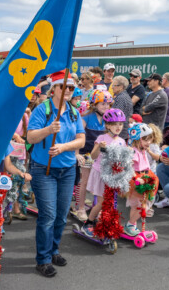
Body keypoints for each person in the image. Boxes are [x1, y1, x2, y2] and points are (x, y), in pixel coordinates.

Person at [27, 70, 85, 277]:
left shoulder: (73, 111)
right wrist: (48, 130)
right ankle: (42, 259)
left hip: (67, 169)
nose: (69, 90)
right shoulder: (42, 110)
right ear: (54, 89)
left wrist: (63, 147)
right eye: (65, 87)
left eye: (72, 87)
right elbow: (31, 137)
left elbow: (81, 140)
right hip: (44, 169)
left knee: (61, 216)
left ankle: (54, 251)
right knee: (48, 215)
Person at [80, 109, 127, 237]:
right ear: (107, 125)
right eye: (114, 124)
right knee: (102, 202)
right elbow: (94, 156)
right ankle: (88, 223)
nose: (118, 127)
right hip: (100, 174)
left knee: (111, 202)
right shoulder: (101, 138)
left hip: (113, 176)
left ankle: (106, 223)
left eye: (120, 124)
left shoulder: (122, 141)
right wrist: (99, 147)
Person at [73, 89, 112, 221]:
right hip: (87, 154)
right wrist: (77, 153)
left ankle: (97, 207)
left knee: (100, 182)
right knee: (85, 180)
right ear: (94, 104)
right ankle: (81, 207)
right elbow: (78, 135)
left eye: (108, 104)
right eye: (102, 104)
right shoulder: (86, 117)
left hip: (100, 156)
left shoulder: (108, 119)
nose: (106, 107)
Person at [110, 75, 133, 140]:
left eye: (114, 85)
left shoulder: (121, 98)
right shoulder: (124, 96)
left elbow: (116, 117)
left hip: (119, 133)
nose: (112, 87)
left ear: (121, 87)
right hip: (122, 131)